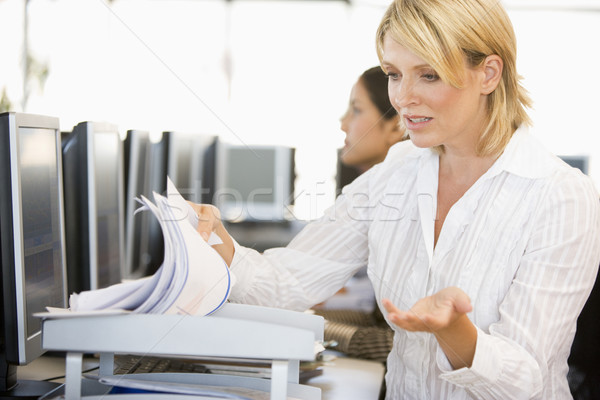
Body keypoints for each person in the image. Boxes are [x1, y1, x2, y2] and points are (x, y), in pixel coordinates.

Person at [191, 0, 600, 398]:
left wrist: (454, 332)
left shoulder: (560, 195)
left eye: (428, 75)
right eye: (393, 73)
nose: (402, 97)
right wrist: (222, 250)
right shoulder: (397, 169)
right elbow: (289, 283)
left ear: (489, 74)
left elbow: (523, 380)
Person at [314, 65, 404, 364]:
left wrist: (314, 327)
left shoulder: (407, 204)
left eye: (355, 110)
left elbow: (395, 343)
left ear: (396, 126)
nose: (342, 124)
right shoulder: (384, 194)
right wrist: (307, 318)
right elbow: (376, 319)